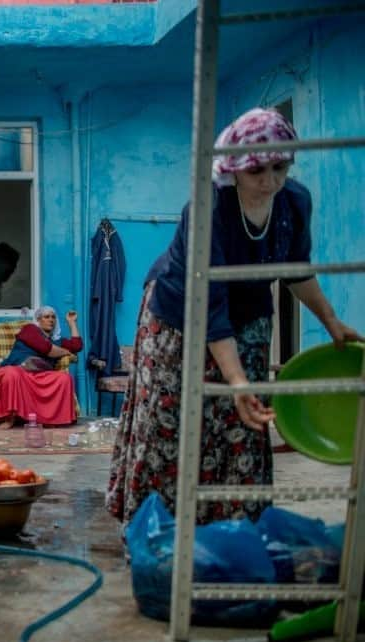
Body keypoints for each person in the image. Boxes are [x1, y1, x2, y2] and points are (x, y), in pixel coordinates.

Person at [105, 107, 362, 526]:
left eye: (280, 168)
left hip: (250, 315)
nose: (270, 181)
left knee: (244, 420)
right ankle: (158, 529)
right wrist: (235, 378)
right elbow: (209, 302)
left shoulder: (295, 202)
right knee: (175, 417)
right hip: (180, 316)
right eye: (258, 171)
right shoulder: (208, 207)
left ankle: (235, 528)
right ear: (235, 168)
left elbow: (296, 268)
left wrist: (332, 322)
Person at [0, 306, 83, 425]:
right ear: (38, 319)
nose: (51, 320)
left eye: (53, 317)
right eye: (47, 317)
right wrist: (65, 351)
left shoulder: (57, 341)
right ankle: (10, 418)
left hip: (40, 374)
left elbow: (77, 346)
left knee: (64, 378)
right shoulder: (29, 329)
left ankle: (52, 420)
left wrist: (72, 322)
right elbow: (46, 348)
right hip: (17, 369)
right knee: (12, 374)